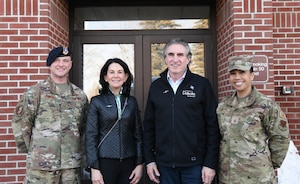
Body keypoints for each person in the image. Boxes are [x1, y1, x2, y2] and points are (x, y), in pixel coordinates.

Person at [143, 38, 220, 184]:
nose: (175, 59)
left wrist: (210, 163)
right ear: (165, 59)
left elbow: (213, 126)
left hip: (195, 166)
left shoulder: (201, 85)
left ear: (188, 59)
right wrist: (150, 160)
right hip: (164, 167)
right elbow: (149, 127)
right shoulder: (156, 87)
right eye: (171, 55)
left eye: (180, 55)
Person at [11, 46, 89, 183]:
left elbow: (83, 129)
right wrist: (36, 152)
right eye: (57, 61)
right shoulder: (35, 93)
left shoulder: (80, 96)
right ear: (49, 64)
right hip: (41, 169)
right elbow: (21, 126)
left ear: (71, 64)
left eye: (65, 61)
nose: (61, 65)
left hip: (70, 169)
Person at [217, 55, 290, 183]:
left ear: (251, 75)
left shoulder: (265, 105)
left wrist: (270, 164)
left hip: (258, 177)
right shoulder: (223, 106)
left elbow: (281, 137)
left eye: (242, 72)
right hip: (228, 177)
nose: (237, 77)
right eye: (233, 73)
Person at [85, 58, 143, 184]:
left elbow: (138, 135)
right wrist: (94, 167)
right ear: (105, 77)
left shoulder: (131, 102)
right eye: (111, 72)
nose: (116, 75)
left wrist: (139, 164)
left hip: (129, 161)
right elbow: (91, 136)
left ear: (126, 76)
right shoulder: (97, 102)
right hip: (105, 161)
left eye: (120, 72)